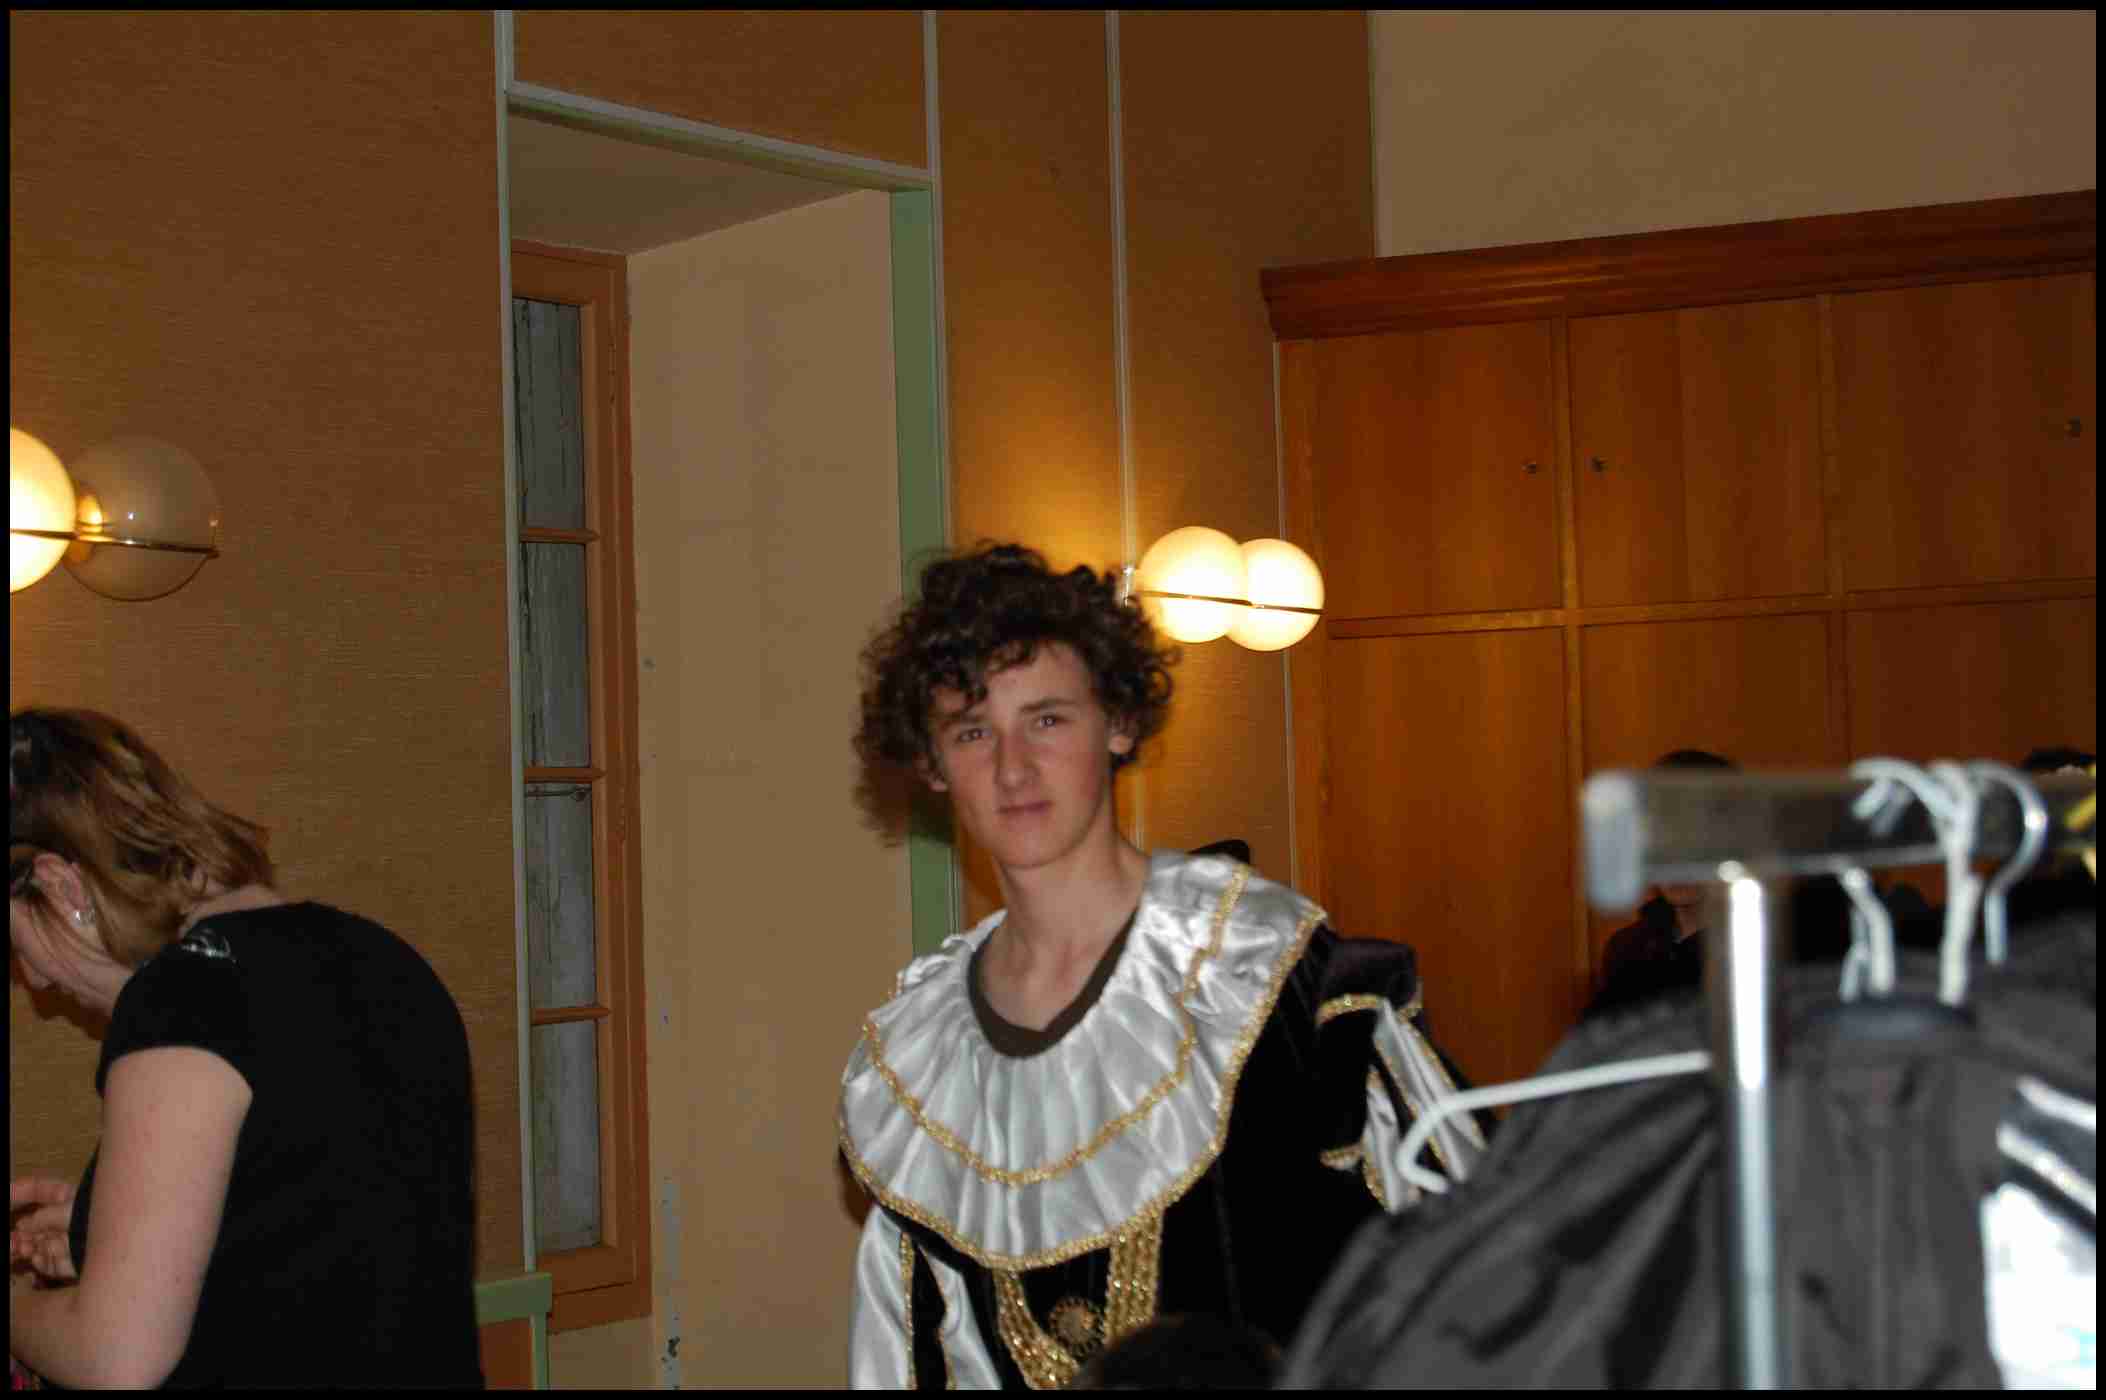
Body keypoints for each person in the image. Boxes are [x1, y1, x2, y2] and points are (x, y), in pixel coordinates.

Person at [837, 543, 1485, 1390]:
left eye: (1047, 719)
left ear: (1118, 722)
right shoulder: (918, 1069)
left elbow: (1482, 1282)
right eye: (971, 732)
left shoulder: (1277, 979)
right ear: (932, 765)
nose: (1012, 768)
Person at [7, 708, 482, 1388]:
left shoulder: (183, 999)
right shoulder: (387, 962)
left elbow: (116, 1358)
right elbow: (324, 1250)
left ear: (59, 884)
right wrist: (102, 1230)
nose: (33, 979)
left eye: (16, 943)